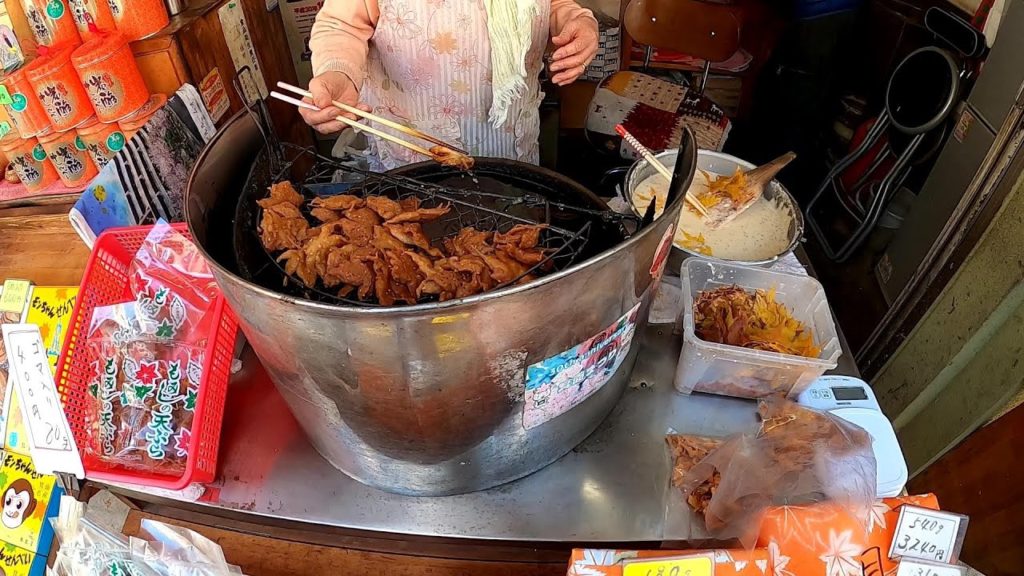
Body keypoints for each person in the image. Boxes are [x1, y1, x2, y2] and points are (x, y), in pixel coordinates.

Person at [302, 0, 599, 169]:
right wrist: (338, 74)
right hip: (416, 157)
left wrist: (578, 21)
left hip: (512, 150)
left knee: (509, 251)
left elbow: (554, 5)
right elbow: (341, 25)